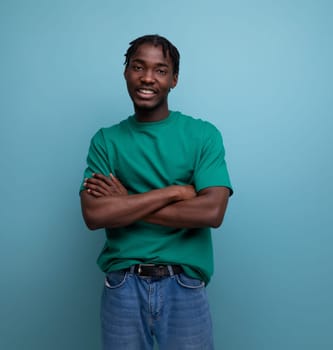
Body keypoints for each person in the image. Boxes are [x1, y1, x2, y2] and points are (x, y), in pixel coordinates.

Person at [80, 34, 233, 350]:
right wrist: (174, 192)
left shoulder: (203, 135)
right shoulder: (106, 141)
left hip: (185, 283)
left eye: (160, 70)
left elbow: (211, 213)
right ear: (126, 72)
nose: (147, 78)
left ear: (174, 79)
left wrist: (125, 204)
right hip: (122, 283)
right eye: (138, 67)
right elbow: (94, 214)